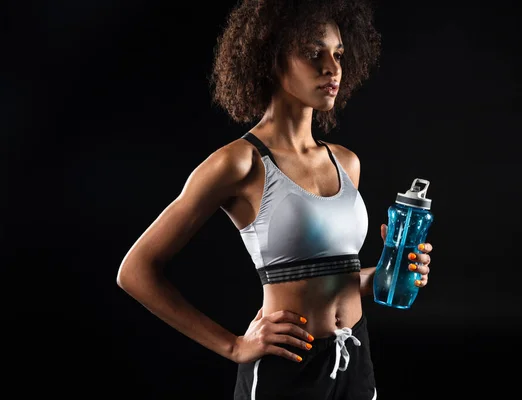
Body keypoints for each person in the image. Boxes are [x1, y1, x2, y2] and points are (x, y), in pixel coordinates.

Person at [116, 0, 434, 398]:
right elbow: (136, 271)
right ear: (270, 57)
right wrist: (233, 346)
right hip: (287, 372)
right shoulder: (239, 163)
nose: (331, 68)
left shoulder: (346, 162)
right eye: (313, 52)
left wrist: (391, 273)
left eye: (338, 54)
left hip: (354, 360)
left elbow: (334, 278)